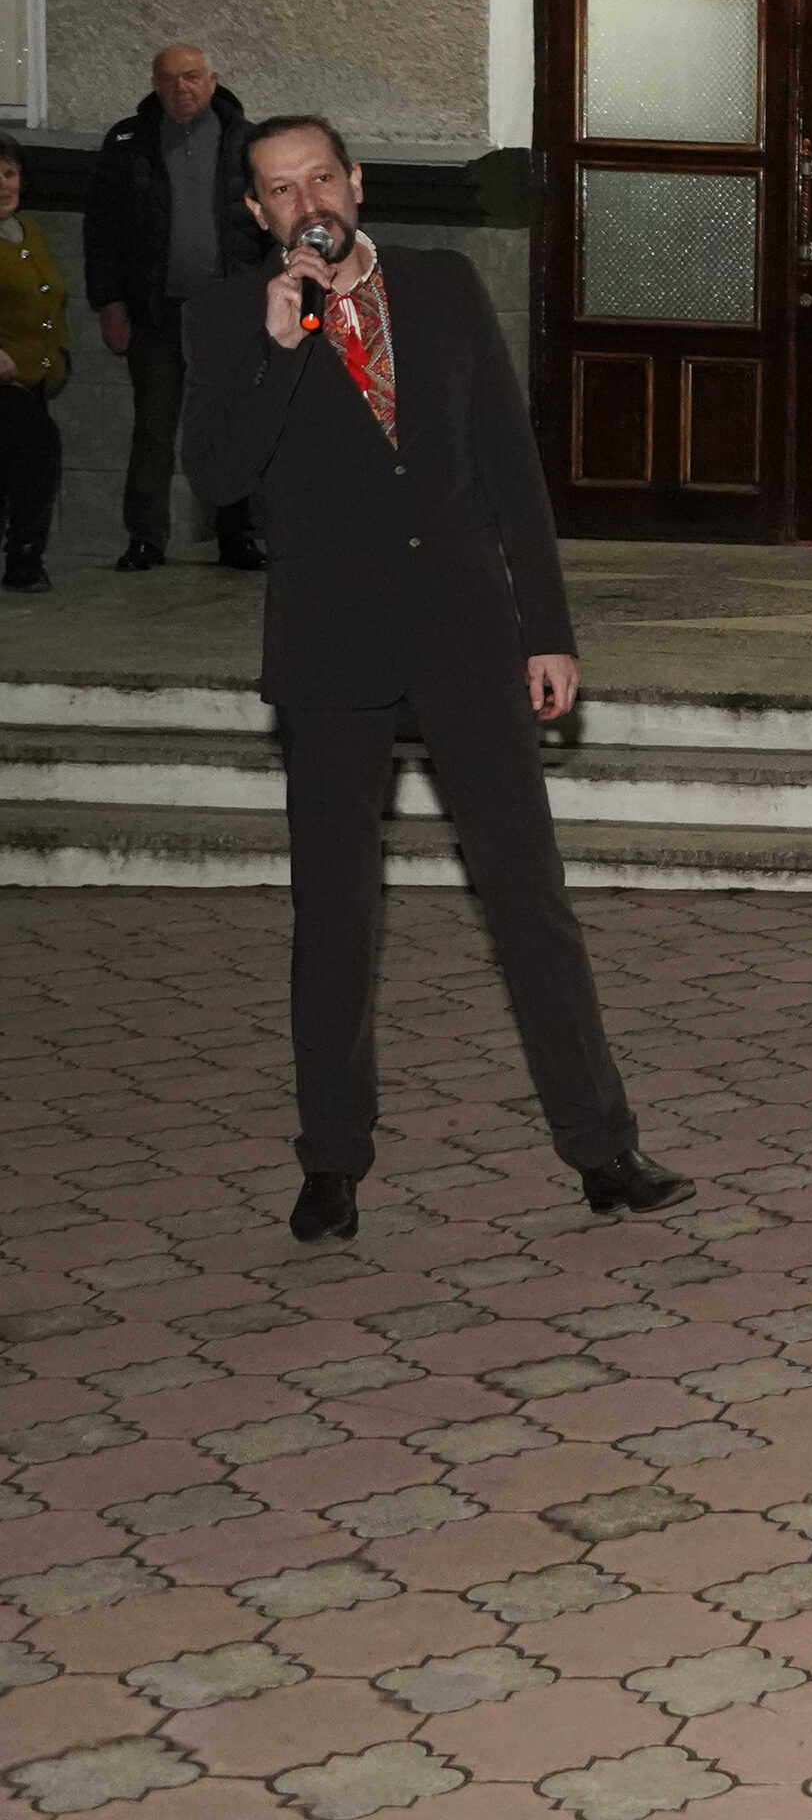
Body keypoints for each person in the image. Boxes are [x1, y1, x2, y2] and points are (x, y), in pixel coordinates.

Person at [181, 114, 691, 1243]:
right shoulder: (228, 316)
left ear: (355, 182)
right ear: (257, 213)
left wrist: (545, 627)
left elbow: (510, 460)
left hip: (466, 630)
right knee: (334, 916)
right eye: (279, 189)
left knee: (528, 896)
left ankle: (604, 1148)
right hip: (331, 645)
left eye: (321, 175)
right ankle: (331, 1163)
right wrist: (281, 344)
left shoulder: (443, 285)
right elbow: (216, 475)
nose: (306, 199)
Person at [84, 44, 267, 572]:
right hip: (155, 313)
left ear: (212, 80)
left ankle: (237, 536)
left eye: (190, 77)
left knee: (233, 424)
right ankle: (146, 538)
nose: (179, 88)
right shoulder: (128, 142)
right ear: (154, 84)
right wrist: (109, 302)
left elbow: (271, 225)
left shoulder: (248, 142)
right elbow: (101, 229)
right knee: (153, 428)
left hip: (228, 314)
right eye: (168, 79)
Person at [0, 139, 64, 592]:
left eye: (9, 174)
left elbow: (50, 295)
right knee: (39, 450)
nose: (3, 185)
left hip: (33, 378)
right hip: (5, 383)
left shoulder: (29, 233)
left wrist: (60, 355)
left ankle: (24, 559)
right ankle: (24, 560)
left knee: (20, 467)